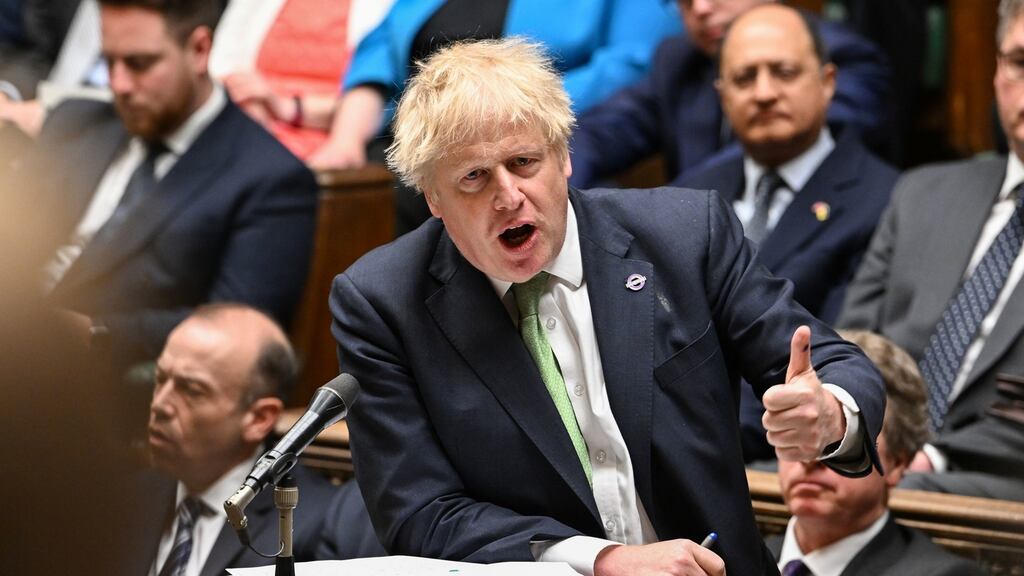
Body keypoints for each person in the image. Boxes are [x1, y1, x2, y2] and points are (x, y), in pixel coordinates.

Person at [330, 38, 885, 575]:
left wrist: (832, 415)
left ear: (564, 157)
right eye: (473, 178)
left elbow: (838, 364)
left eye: (524, 162)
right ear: (433, 199)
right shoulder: (382, 304)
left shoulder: (687, 237)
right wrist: (598, 561)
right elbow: (419, 512)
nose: (507, 196)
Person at [6, 0, 318, 371]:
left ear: (200, 50)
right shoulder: (75, 124)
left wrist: (96, 333)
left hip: (106, 384)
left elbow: (238, 331)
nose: (118, 85)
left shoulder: (269, 178)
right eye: (109, 62)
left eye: (139, 64)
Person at [838, 0, 1024, 502]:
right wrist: (856, 440)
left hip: (997, 487)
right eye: (1020, 64)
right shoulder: (923, 193)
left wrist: (923, 461)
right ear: (996, 71)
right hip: (867, 465)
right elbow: (849, 349)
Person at [308, 0, 683, 236]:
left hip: (531, 142)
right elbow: (378, 62)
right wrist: (345, 139)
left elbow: (634, 60)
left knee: (417, 196)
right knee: (321, 190)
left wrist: (500, 106)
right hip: (413, 145)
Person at [678, 4, 897, 325]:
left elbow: (848, 341)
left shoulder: (884, 201)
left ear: (828, 83)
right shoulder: (688, 197)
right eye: (744, 78)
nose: (764, 93)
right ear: (723, 97)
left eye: (785, 73)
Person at [132, 304, 383, 575]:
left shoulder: (314, 524)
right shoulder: (119, 498)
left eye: (192, 390)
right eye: (160, 379)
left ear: (259, 418)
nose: (160, 404)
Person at [569, 0, 891, 189]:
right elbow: (597, 135)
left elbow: (774, 151)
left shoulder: (845, 58)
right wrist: (551, 180)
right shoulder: (681, 60)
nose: (701, 9)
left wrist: (662, 210)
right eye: (683, 1)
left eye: (784, 73)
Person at [769, 330, 986, 576]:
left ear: (897, 463)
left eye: (843, 439)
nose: (810, 459)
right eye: (801, 431)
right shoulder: (736, 556)